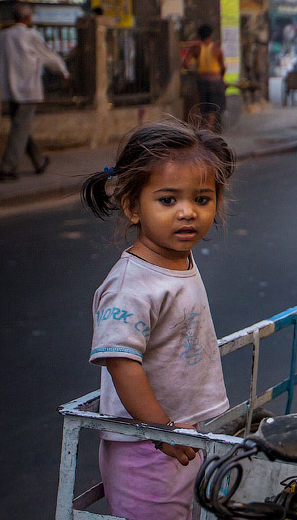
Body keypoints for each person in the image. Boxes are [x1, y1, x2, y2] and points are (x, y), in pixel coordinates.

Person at [80, 119, 235, 520]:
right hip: (146, 448)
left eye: (202, 199)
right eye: (168, 200)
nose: (188, 212)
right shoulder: (130, 285)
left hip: (186, 435)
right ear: (133, 207)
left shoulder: (178, 259)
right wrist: (162, 430)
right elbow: (121, 363)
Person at [0, 2, 69, 181]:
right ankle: (7, 168)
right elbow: (48, 56)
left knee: (21, 127)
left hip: (10, 90)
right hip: (29, 90)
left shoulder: (4, 36)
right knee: (20, 128)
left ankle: (39, 161)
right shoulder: (31, 36)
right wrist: (63, 70)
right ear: (28, 17)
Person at [181, 24, 226, 132]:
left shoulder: (196, 48)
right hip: (216, 81)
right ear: (210, 35)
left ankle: (203, 130)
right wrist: (221, 78)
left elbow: (185, 64)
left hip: (202, 81)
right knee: (211, 110)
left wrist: (195, 73)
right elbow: (223, 67)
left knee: (203, 108)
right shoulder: (216, 48)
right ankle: (208, 131)